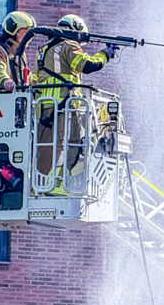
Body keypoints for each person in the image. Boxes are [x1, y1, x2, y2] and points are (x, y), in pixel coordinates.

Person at [33, 14, 119, 191]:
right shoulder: (69, 45)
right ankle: (61, 184)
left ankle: (40, 184)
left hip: (45, 107)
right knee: (73, 143)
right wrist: (106, 54)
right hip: (65, 104)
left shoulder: (45, 49)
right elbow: (87, 65)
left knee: (47, 147)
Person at [0, 11, 35, 91]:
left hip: (14, 98)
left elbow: (26, 76)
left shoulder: (19, 53)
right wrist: (5, 80)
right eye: (25, 32)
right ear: (13, 30)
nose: (28, 36)